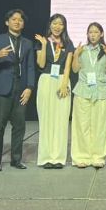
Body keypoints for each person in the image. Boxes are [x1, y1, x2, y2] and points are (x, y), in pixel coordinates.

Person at [0, 9, 35, 171]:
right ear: (7, 22)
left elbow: (30, 67)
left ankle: (16, 159)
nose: (17, 22)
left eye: (20, 20)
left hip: (21, 89)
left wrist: (29, 87)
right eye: (13, 19)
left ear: (23, 24)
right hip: (2, 88)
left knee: (19, 126)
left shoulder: (27, 43)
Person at [71, 22, 106, 168]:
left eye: (96, 32)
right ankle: (81, 156)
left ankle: (98, 156)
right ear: (87, 34)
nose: (93, 35)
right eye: (90, 32)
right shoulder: (82, 50)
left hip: (101, 92)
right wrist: (76, 55)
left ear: (101, 34)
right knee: (82, 126)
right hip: (83, 91)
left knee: (100, 126)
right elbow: (75, 70)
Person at [33, 14, 74, 169]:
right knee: (46, 120)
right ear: (50, 25)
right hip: (46, 80)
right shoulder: (42, 41)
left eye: (61, 24)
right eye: (55, 23)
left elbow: (68, 66)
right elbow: (41, 64)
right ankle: (46, 157)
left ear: (64, 26)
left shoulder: (68, 43)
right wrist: (44, 45)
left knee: (61, 120)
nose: (57, 27)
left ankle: (58, 158)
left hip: (62, 80)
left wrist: (64, 85)